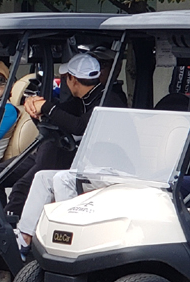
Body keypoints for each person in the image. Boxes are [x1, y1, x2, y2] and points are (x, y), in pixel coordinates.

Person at [11, 53, 121, 248]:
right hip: (92, 168)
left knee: (62, 179)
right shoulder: (83, 99)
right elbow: (60, 113)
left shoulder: (108, 98)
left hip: (113, 169)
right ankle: (24, 237)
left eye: (66, 78)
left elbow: (79, 126)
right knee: (43, 177)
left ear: (73, 79)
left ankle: (67, 236)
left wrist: (48, 108)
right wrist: (38, 108)